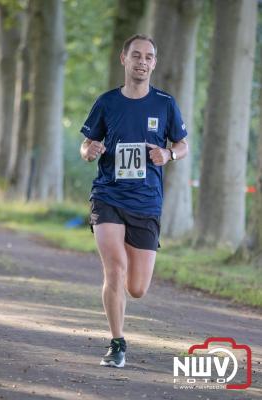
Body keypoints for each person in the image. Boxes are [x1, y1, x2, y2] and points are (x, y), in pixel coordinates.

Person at [80, 34, 188, 368]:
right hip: (108, 195)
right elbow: (86, 144)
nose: (142, 62)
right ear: (123, 58)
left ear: (154, 63)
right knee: (115, 269)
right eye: (136, 55)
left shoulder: (165, 103)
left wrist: (168, 153)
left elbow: (183, 145)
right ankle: (117, 343)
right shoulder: (107, 102)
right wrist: (90, 150)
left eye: (149, 57)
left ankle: (124, 297)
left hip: (146, 202)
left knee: (137, 288)